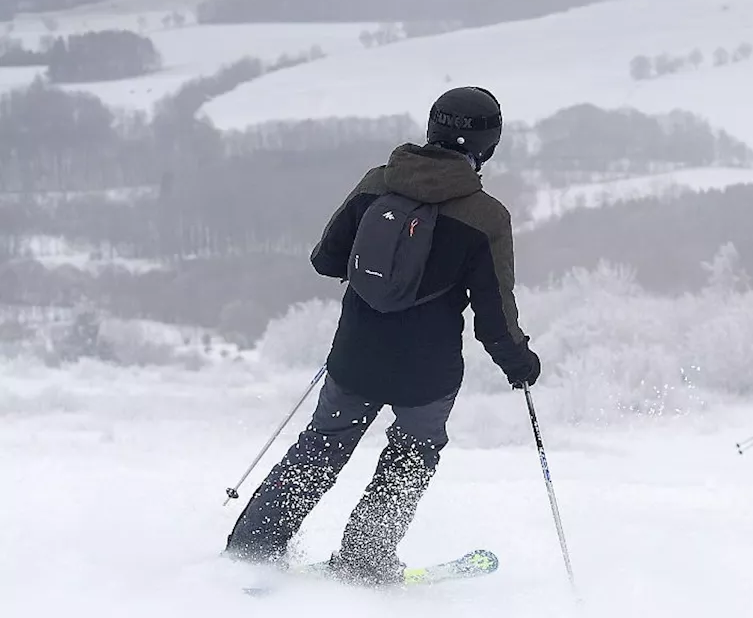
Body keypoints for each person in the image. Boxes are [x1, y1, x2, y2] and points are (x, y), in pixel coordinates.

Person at [223, 86, 541, 584]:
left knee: (321, 447)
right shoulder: (485, 216)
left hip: (355, 354)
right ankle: (363, 561)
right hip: (428, 372)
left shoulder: (377, 183)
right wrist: (519, 363)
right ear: (489, 144)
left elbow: (326, 260)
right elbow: (494, 316)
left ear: (431, 127)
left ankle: (252, 549)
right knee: (409, 460)